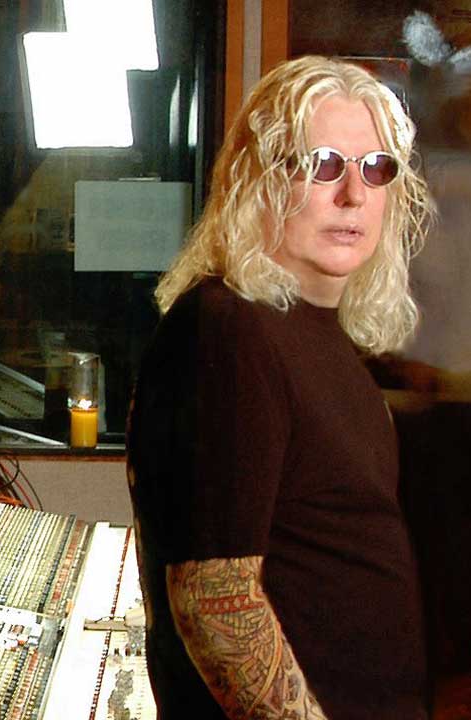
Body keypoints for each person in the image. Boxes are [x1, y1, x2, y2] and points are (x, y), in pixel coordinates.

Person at [126, 56, 434, 719]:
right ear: (257, 178)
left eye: (376, 168)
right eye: (322, 165)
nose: (353, 195)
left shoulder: (312, 331)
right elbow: (216, 602)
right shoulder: (229, 328)